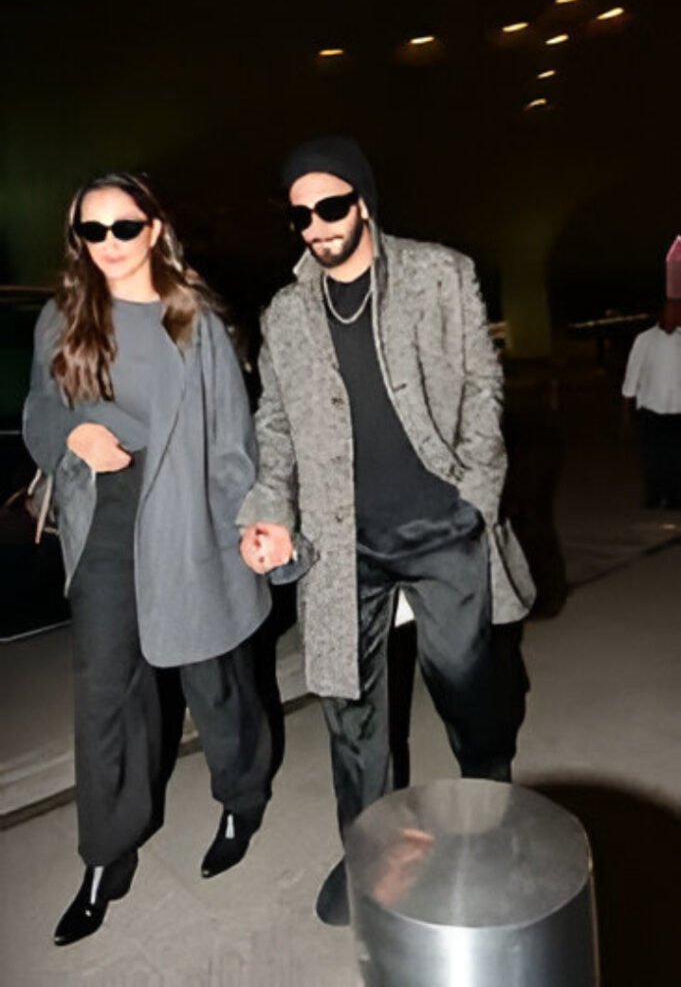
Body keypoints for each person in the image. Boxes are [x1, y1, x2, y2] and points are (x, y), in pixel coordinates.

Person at [237, 136, 535, 925]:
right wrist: (267, 510)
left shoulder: (441, 274)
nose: (316, 226)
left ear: (362, 202)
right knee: (351, 716)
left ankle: (495, 830)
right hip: (345, 545)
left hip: (444, 529)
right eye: (300, 214)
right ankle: (370, 857)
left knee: (470, 698)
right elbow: (274, 428)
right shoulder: (286, 314)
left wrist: (476, 494)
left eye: (330, 207)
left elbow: (481, 385)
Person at [23, 173, 272, 946]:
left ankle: (242, 794)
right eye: (89, 234)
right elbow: (38, 410)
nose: (106, 247)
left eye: (120, 228)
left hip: (187, 516)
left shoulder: (193, 319)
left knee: (211, 678)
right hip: (104, 521)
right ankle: (106, 854)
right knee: (104, 695)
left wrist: (256, 526)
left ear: (155, 228)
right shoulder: (62, 315)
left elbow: (232, 442)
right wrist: (72, 436)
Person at [622, 285, 681, 509]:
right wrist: (626, 410)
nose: (675, 314)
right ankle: (654, 496)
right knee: (653, 457)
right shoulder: (644, 340)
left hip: (677, 409)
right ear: (662, 313)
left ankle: (675, 497)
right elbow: (632, 373)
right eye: (671, 309)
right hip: (651, 409)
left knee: (676, 457)